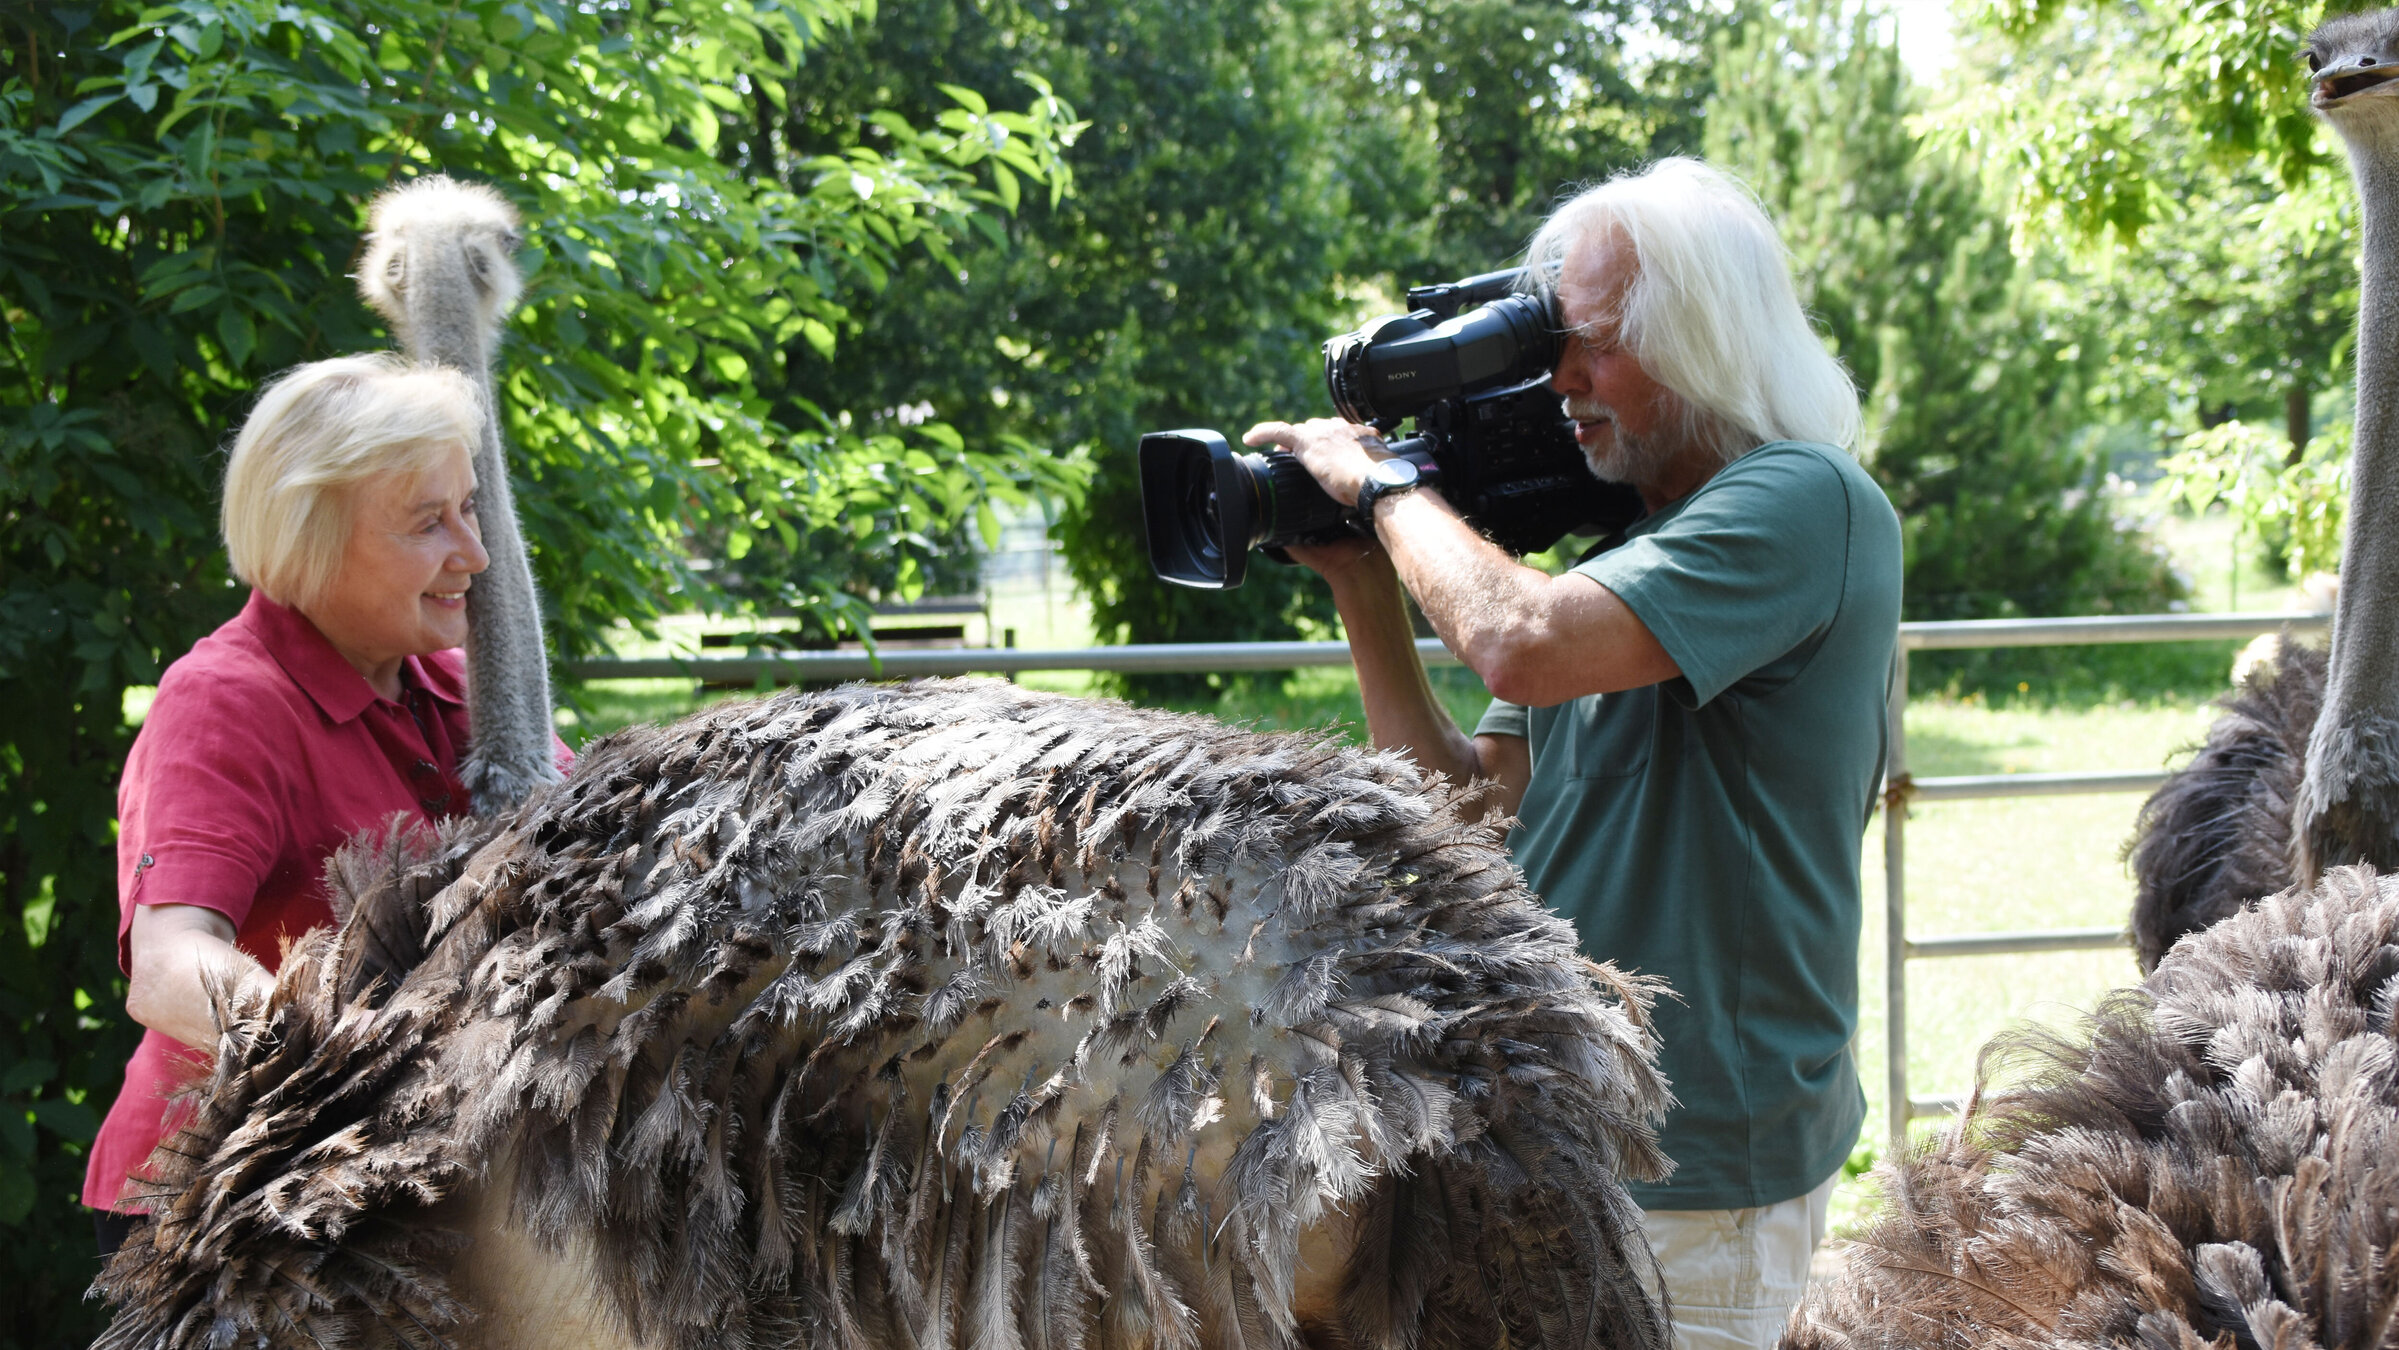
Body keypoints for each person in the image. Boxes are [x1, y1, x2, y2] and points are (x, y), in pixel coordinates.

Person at [1246, 157, 1901, 1348]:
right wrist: (1357, 581)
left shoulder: (1808, 501)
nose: (1560, 382)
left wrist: (1387, 485)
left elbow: (1517, 642)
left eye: (1592, 344)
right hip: (1556, 1128)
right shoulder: (1639, 542)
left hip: (1700, 1163)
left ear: (1700, 339)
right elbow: (1464, 809)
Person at [84, 354, 571, 1256]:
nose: (476, 553)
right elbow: (167, 966)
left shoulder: (456, 684)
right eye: (430, 523)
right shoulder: (225, 699)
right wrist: (367, 1054)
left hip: (409, 1192)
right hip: (228, 1217)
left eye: (470, 509)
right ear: (311, 537)